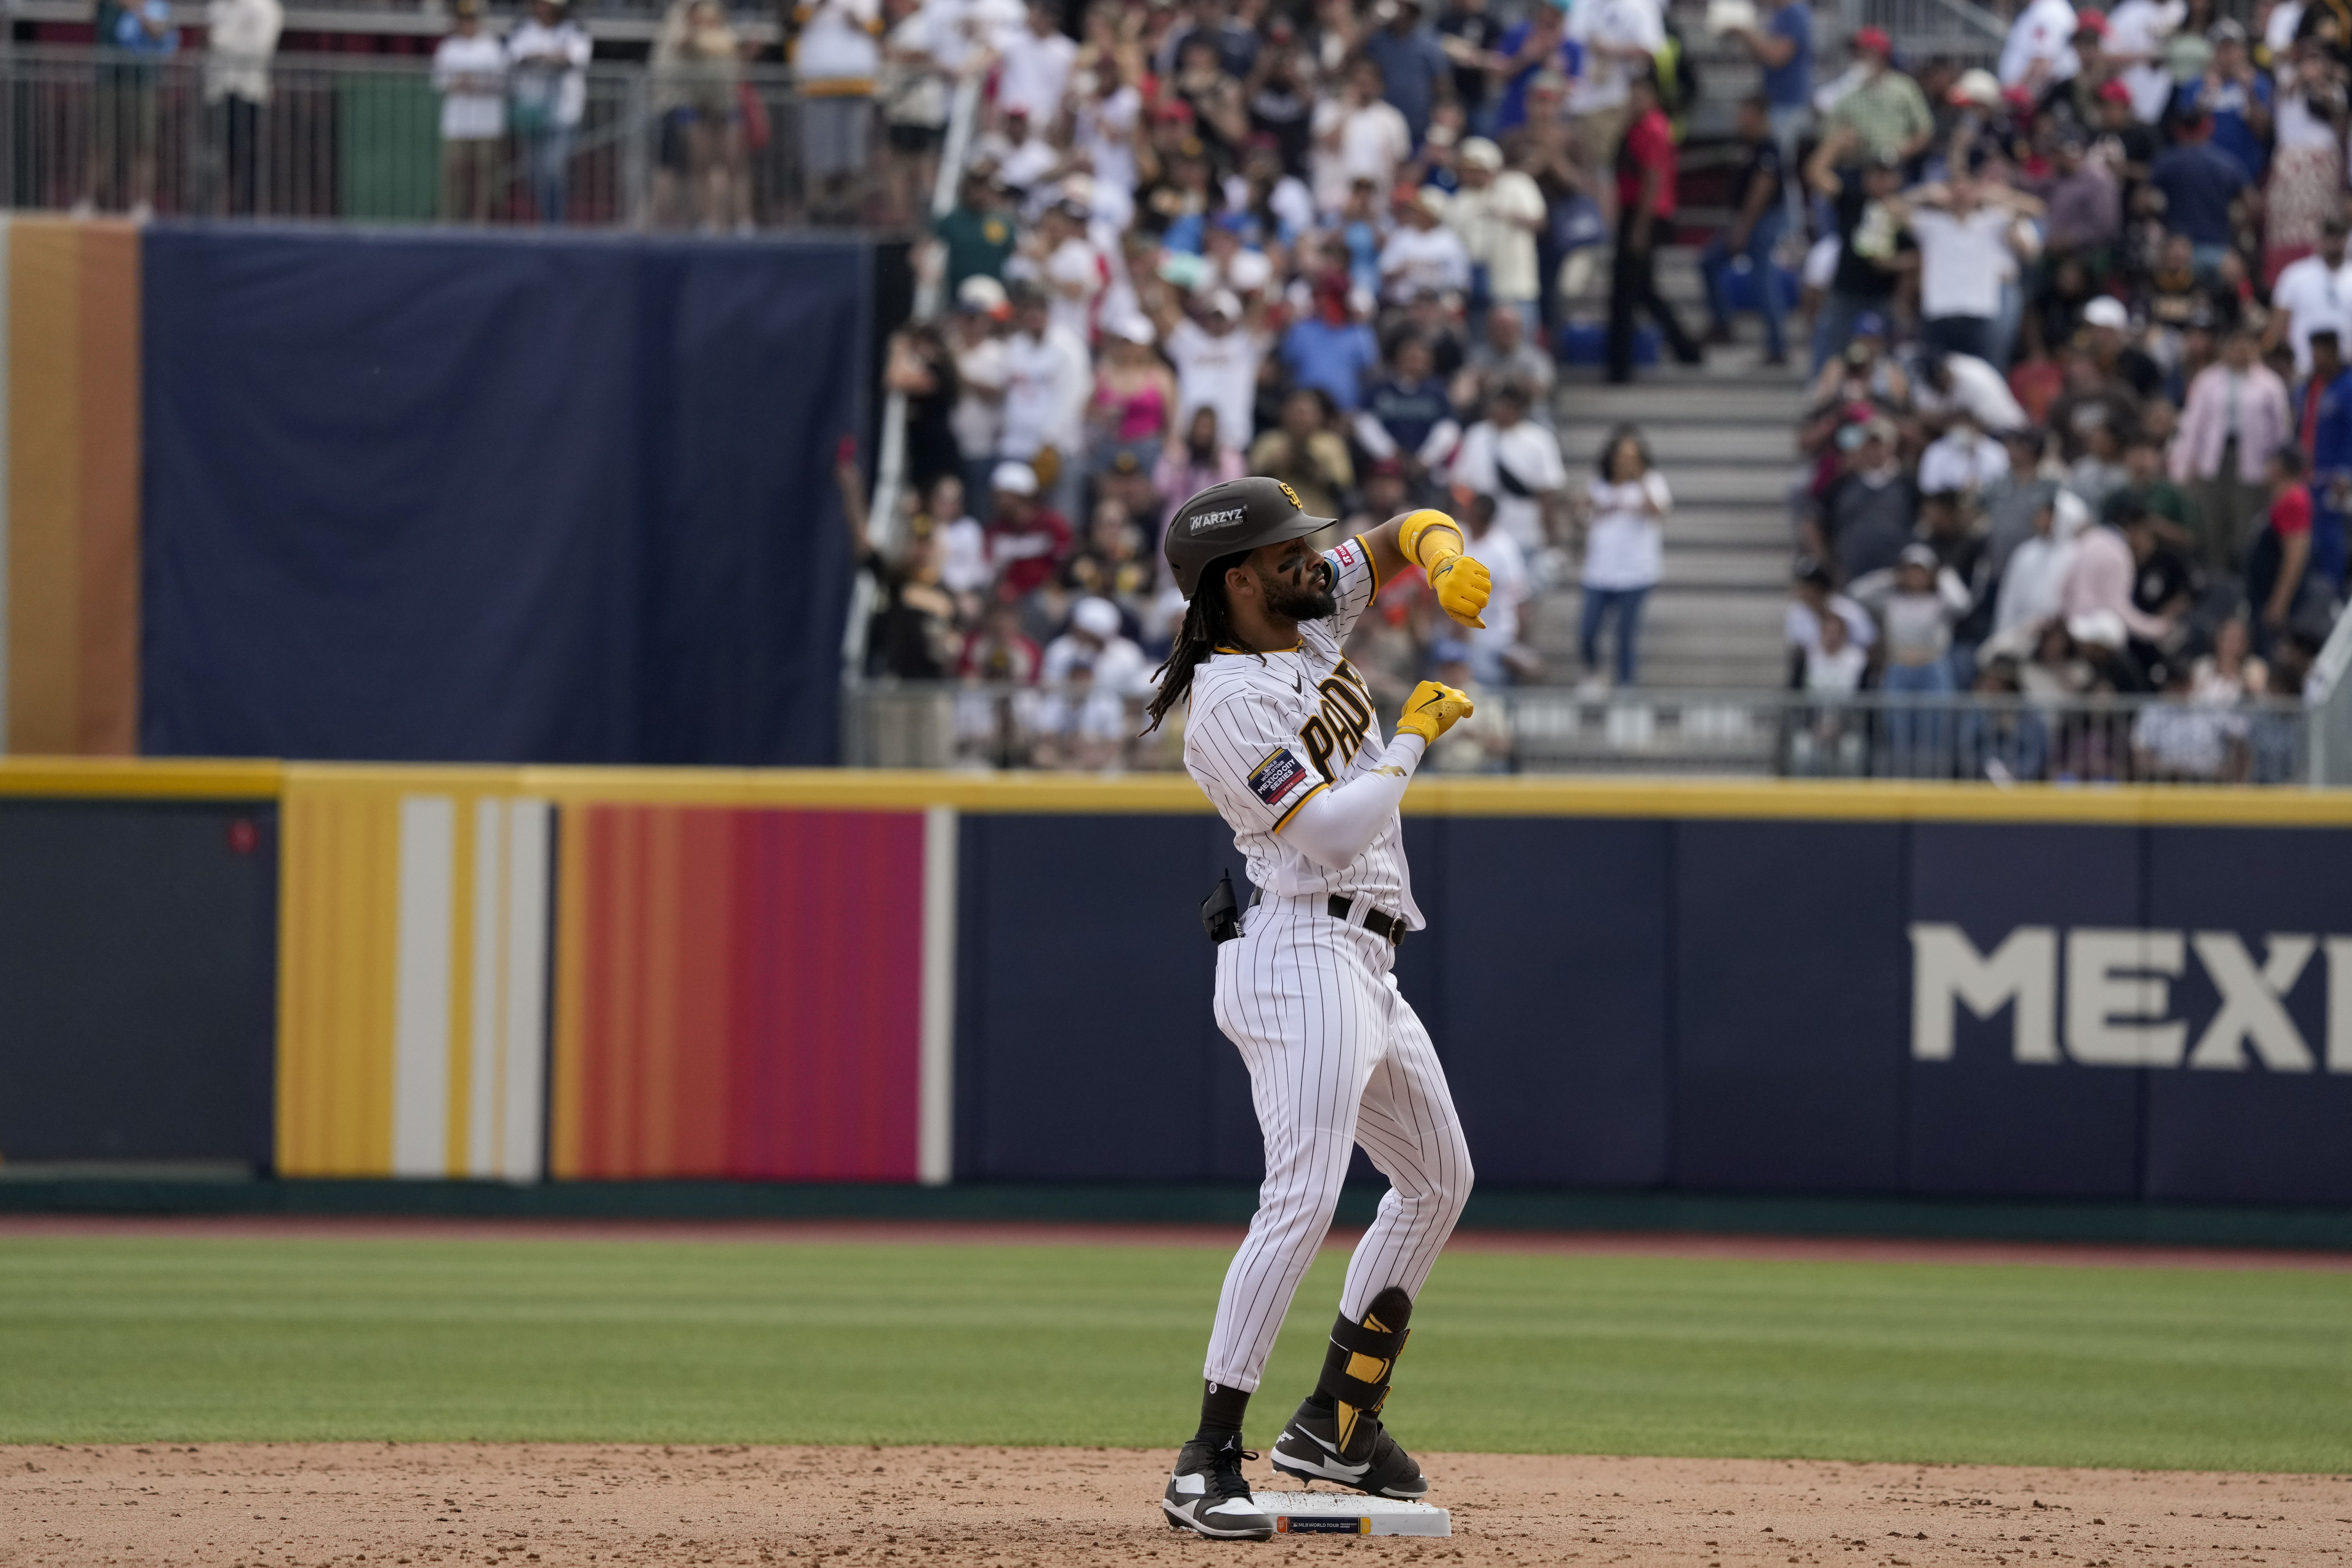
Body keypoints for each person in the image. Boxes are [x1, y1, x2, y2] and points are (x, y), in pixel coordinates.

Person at [1147, 478, 1487, 1541]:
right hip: (1301, 946)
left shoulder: (1302, 616)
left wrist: (1439, 554)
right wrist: (1415, 737)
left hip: (1366, 956)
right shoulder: (1233, 701)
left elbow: (1390, 537)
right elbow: (1332, 834)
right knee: (1302, 1193)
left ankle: (1340, 1424)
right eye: (1288, 552)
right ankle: (1207, 1459)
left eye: (1308, 548)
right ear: (1237, 580)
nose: (1315, 561)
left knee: (1439, 1179)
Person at [1606, 69, 1702, 384]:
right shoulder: (1636, 126)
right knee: (1644, 291)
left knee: (1625, 294)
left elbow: (1653, 179)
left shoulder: (1653, 129)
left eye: (1641, 93)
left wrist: (1640, 228)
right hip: (1632, 211)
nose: (1634, 99)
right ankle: (1685, 347)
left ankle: (1620, 368)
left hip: (1643, 214)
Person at [2172, 327, 2292, 575]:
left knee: (2246, 525)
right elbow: (2194, 425)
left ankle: (2243, 580)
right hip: (2215, 459)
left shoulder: (2269, 384)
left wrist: (2280, 467)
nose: (2241, 353)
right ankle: (2215, 578)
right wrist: (2184, 463)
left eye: (2246, 347)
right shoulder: (2208, 380)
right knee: (2213, 522)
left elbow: (2280, 429)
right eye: (2236, 347)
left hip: (2253, 461)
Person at [1698, 95, 1791, 365]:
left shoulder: (1768, 147)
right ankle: (1722, 323)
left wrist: (1743, 227)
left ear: (1760, 115)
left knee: (1763, 282)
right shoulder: (1745, 144)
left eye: (1745, 113)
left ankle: (1777, 346)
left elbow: (1762, 188)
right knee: (1709, 262)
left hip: (1762, 220)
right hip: (1743, 219)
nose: (1739, 119)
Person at [1577, 425, 1669, 688]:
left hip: (1636, 572)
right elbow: (1582, 521)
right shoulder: (1598, 485)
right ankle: (1594, 675)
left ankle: (1625, 687)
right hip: (1599, 571)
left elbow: (1658, 511)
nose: (1626, 461)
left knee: (1625, 636)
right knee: (1587, 632)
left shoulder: (1651, 482)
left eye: (1633, 456)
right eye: (1622, 455)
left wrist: (1640, 478)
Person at [1724, 0, 1812, 236]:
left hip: (1788, 104)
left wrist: (1746, 32)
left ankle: (1789, 234)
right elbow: (1763, 57)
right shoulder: (1777, 16)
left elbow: (1776, 56)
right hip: (1775, 103)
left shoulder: (1795, 13)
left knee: (1780, 170)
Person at [1447, 138, 1547, 340]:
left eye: (1476, 169)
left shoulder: (1516, 184)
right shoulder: (1459, 201)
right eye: (1466, 169)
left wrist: (1504, 214)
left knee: (1522, 344)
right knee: (1481, 350)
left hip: (1516, 288)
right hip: (1478, 292)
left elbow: (1540, 222)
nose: (1469, 174)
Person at [1448, 379, 1563, 552]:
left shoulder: (1540, 440)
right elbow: (1461, 486)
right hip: (1483, 537)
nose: (1495, 408)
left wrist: (1550, 535)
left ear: (1516, 407)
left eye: (1501, 403)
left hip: (1525, 537)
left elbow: (1547, 494)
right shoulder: (1477, 436)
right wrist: (1463, 527)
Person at [795, 0, 882, 224]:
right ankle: (818, 210)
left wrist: (858, 22)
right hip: (819, 80)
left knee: (854, 154)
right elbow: (794, 21)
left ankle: (851, 211)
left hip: (857, 80)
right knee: (820, 153)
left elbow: (878, 27)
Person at [507, 0, 591, 224]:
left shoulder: (573, 29)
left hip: (565, 113)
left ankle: (556, 223)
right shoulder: (523, 28)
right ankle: (547, 219)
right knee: (534, 172)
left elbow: (577, 57)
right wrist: (550, 57)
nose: (541, 8)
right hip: (532, 113)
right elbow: (515, 56)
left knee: (552, 168)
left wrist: (543, 58)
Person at [2147, 110, 2252, 273]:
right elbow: (2252, 204)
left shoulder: (2166, 162)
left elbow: (2141, 202)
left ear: (2179, 130)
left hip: (2176, 256)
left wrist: (2157, 218)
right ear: (2209, 129)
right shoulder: (2227, 163)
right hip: (2220, 255)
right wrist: (2238, 234)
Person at [203, 0, 280, 218]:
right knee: (217, 159)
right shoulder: (217, 6)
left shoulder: (264, 8)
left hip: (249, 93)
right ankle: (216, 213)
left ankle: (248, 213)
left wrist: (220, 41)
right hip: (218, 93)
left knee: (248, 159)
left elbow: (260, 49)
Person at [433, 0, 507, 223]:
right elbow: (438, 81)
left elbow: (504, 82)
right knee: (454, 173)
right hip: (457, 123)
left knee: (486, 174)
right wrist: (457, 82)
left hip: (487, 123)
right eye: (463, 20)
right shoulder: (448, 47)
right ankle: (450, 221)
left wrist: (478, 83)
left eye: (471, 20)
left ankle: (482, 222)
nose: (467, 25)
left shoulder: (492, 46)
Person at [2246, 444, 2319, 657]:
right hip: (2263, 594)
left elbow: (2296, 556)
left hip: (2276, 601)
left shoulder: (2294, 499)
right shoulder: (2282, 498)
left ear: (2279, 467)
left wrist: (2280, 602)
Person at [1826, 26, 1933, 167]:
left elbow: (1924, 132)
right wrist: (1845, 145)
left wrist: (1897, 153)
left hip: (1899, 166)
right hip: (1859, 167)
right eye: (1857, 53)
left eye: (1866, 52)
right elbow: (1830, 136)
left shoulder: (1904, 88)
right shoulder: (1846, 90)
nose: (1860, 57)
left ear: (1882, 56)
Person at [2263, 213, 2352, 381]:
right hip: (2303, 370)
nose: (2335, 242)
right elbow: (2276, 328)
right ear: (2321, 239)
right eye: (2330, 236)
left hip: (2346, 373)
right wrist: (2271, 355)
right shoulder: (2296, 275)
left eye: (2339, 237)